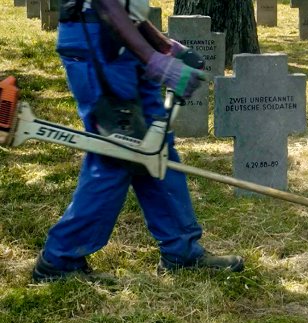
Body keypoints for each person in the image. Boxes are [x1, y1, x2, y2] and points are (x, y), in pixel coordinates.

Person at [31, 0, 245, 282]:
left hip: (123, 40)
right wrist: (153, 59)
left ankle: (181, 249)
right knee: (119, 152)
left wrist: (163, 45)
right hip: (97, 40)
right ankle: (61, 259)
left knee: (156, 147)